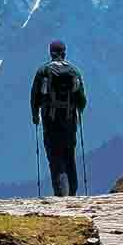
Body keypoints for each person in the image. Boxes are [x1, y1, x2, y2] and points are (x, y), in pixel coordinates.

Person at [30, 40, 87, 196]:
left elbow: (35, 96)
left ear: (51, 52)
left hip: (50, 120)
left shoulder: (43, 71)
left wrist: (35, 115)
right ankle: (73, 192)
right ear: (64, 52)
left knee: (55, 156)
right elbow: (81, 99)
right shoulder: (74, 71)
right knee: (69, 154)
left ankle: (61, 193)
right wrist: (78, 110)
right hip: (69, 120)